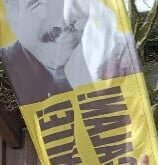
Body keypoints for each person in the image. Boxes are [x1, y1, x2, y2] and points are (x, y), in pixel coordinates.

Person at [0, 0, 140, 105]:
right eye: (38, 3)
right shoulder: (11, 72)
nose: (60, 17)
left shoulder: (115, 53)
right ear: (12, 15)